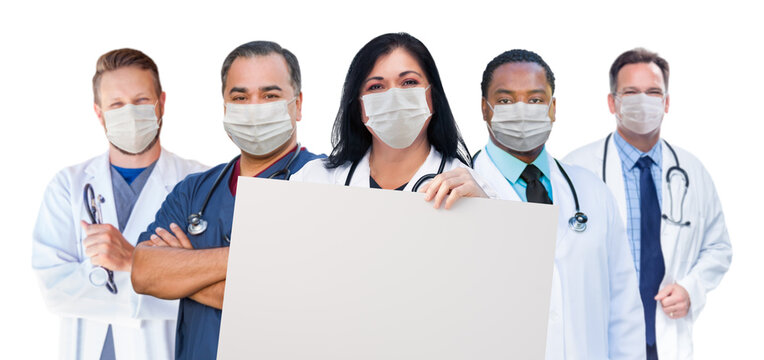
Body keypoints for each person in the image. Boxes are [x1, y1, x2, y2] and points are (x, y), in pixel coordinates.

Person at [130, 40, 323, 359]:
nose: (255, 106)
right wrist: (256, 260)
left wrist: (186, 268)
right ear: (225, 107)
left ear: (298, 104)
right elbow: (142, 271)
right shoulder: (193, 190)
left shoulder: (324, 180)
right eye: (240, 97)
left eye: (270, 95)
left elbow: (297, 306)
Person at [32, 48, 207, 360]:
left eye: (141, 101)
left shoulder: (201, 183)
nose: (130, 113)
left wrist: (130, 262)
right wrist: (166, 277)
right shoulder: (68, 186)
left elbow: (213, 292)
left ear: (161, 104)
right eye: (117, 105)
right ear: (100, 114)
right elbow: (55, 291)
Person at [471, 49, 645, 359]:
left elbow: (624, 311)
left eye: (536, 100)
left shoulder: (593, 192)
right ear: (485, 110)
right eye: (506, 100)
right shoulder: (455, 191)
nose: (522, 110)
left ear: (553, 109)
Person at [564, 48, 732, 359]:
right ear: (612, 102)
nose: (643, 101)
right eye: (631, 92)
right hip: (599, 335)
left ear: (667, 102)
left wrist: (691, 288)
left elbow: (719, 247)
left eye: (653, 92)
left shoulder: (692, 171)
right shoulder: (576, 169)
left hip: (665, 339)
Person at [292, 32, 492, 206]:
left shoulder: (471, 189)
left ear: (432, 95)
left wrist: (483, 212)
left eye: (409, 82)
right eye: (376, 87)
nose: (394, 97)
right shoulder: (314, 179)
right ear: (359, 105)